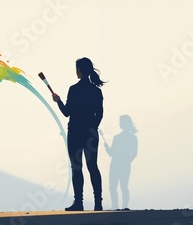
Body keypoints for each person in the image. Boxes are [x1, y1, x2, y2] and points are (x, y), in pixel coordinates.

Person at [52, 57, 106, 211]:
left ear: (79, 70)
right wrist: (92, 128)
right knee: (93, 167)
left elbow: (66, 113)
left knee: (77, 167)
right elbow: (100, 114)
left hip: (75, 133)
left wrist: (58, 101)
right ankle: (98, 203)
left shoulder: (74, 89)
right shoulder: (96, 91)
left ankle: (78, 202)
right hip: (90, 134)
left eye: (76, 69)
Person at [104, 115, 138, 210]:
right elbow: (134, 153)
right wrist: (127, 161)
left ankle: (117, 206)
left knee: (114, 187)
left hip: (116, 164)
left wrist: (107, 148)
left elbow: (112, 153)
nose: (119, 123)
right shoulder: (132, 138)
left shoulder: (118, 138)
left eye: (121, 121)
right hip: (123, 165)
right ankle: (123, 206)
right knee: (123, 186)